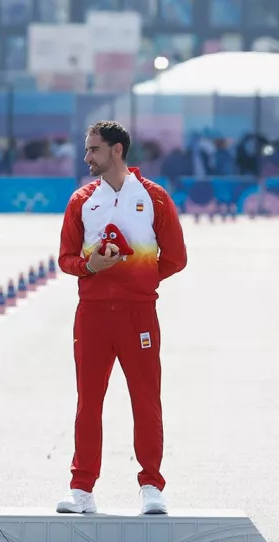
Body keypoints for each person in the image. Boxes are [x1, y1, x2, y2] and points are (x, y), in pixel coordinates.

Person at [56, 121, 187, 515]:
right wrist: (89, 266)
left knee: (146, 401)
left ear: (116, 150)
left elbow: (176, 257)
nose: (86, 157)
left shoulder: (153, 197)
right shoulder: (82, 200)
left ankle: (151, 486)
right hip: (92, 316)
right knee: (88, 403)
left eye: (93, 149)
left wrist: (140, 278)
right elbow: (65, 259)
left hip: (138, 314)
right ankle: (82, 489)